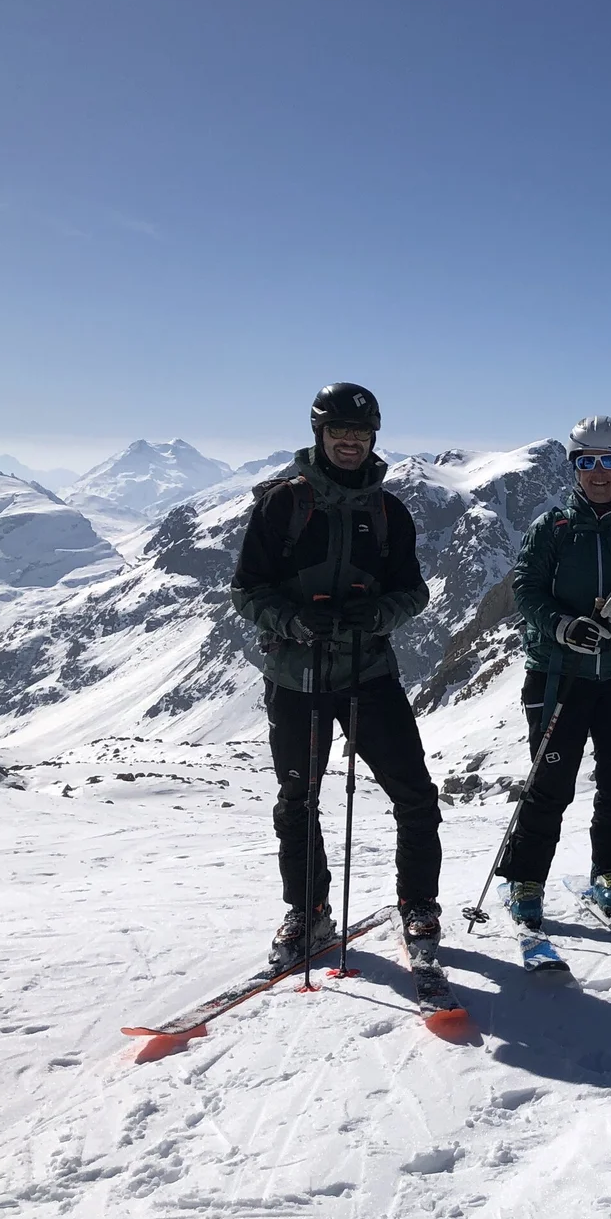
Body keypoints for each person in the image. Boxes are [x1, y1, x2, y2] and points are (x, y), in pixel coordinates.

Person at [231, 383, 443, 961]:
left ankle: (418, 906)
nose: (350, 442)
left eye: (360, 433)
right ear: (319, 433)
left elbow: (413, 591)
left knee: (415, 794)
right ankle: (307, 911)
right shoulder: (283, 504)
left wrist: (378, 613)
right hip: (295, 680)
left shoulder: (388, 511)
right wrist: (295, 622)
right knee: (297, 801)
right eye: (339, 432)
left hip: (368, 673)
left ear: (373, 437)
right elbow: (246, 590)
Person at [495, 417, 611, 925]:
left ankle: (609, 871)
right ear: (574, 468)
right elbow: (526, 591)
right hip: (558, 674)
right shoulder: (552, 528)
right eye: (587, 461)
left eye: (610, 461)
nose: (599, 472)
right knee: (549, 782)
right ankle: (525, 878)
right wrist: (563, 627)